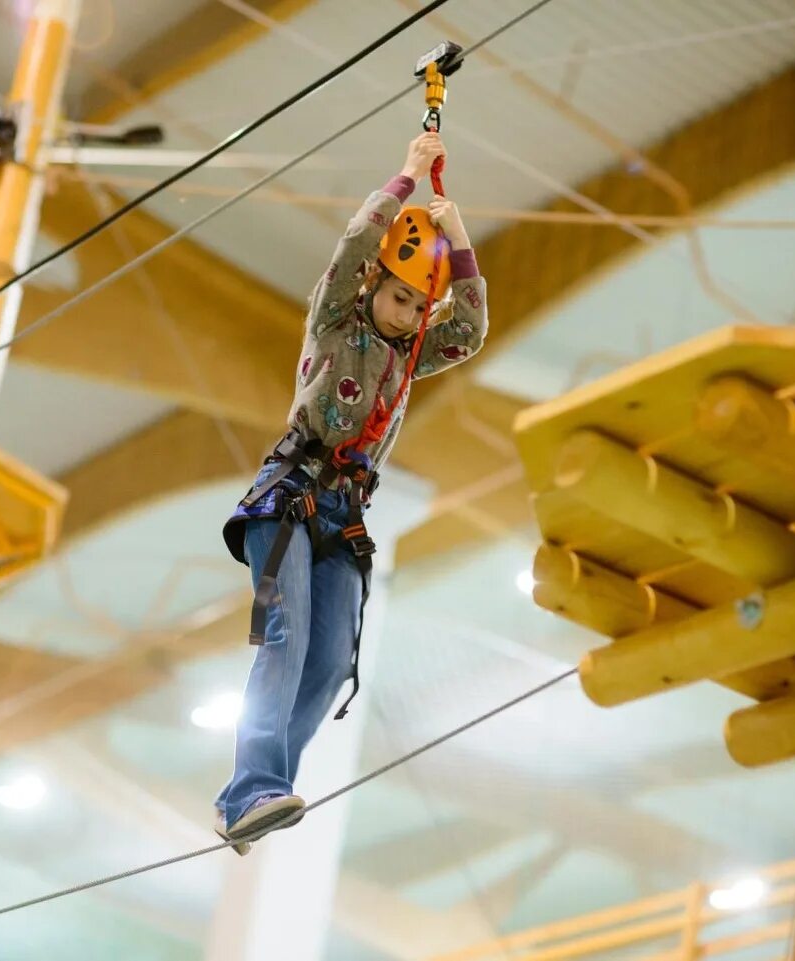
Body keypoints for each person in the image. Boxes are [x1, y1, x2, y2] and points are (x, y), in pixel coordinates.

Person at [215, 131, 487, 852]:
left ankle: (265, 790)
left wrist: (458, 241)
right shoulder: (336, 316)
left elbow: (471, 328)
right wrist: (407, 178)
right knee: (287, 632)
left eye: (415, 306)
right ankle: (249, 788)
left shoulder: (410, 354)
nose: (404, 315)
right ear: (375, 285)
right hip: (290, 492)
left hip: (344, 516)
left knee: (333, 658)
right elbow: (354, 243)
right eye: (398, 297)